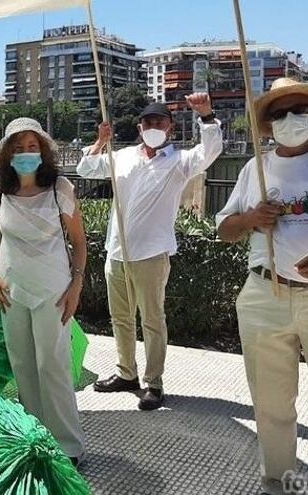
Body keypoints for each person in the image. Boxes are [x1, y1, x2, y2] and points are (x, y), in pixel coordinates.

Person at [77, 94, 222, 410]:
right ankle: (126, 373)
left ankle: (153, 383)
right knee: (121, 318)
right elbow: (85, 168)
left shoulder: (179, 162)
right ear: (140, 127)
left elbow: (210, 151)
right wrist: (101, 141)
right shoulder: (123, 156)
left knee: (153, 321)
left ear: (170, 128)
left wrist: (207, 117)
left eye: (160, 122)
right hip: (117, 251)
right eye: (148, 122)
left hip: (153, 255)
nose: (153, 126)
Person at [217, 77, 308, 495]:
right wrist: (251, 219)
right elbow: (224, 229)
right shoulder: (256, 165)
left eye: (300, 110)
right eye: (279, 113)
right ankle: (282, 481)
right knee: (271, 404)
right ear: (267, 125)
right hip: (264, 293)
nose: (291, 119)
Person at [0, 117, 87, 466]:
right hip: (11, 289)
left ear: (43, 150)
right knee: (23, 365)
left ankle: (68, 445)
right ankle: (35, 434)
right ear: (7, 154)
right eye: (18, 147)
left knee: (53, 365)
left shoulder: (60, 188)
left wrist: (77, 284)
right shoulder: (0, 189)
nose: (26, 153)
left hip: (53, 289)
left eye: (32, 146)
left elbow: (79, 242)